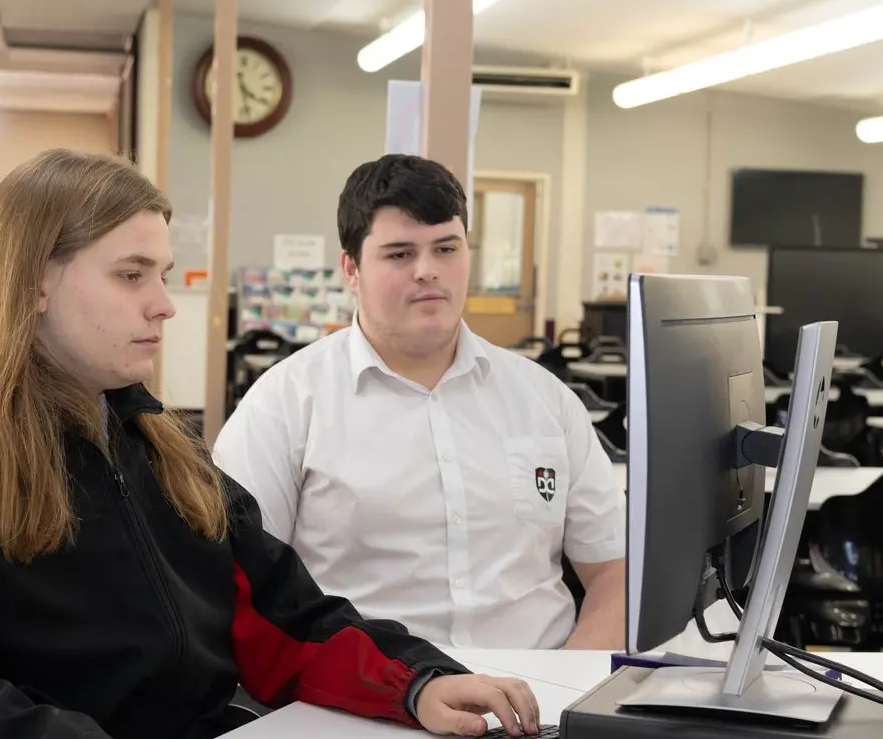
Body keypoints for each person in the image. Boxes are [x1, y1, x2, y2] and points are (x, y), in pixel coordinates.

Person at [0, 149, 541, 739]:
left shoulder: (161, 448)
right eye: (132, 276)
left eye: (159, 274)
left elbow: (288, 616)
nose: (164, 306)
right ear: (33, 282)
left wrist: (417, 682)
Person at [213, 154, 626, 651]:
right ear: (351, 268)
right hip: (364, 704)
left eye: (446, 248)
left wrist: (568, 700)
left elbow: (613, 571)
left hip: (538, 703)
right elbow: (243, 590)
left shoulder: (545, 401)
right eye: (399, 254)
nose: (428, 271)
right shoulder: (282, 406)